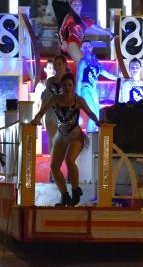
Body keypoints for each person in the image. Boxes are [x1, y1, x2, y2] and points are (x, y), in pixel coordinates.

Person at [31, 73, 101, 206]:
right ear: (61, 87)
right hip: (60, 136)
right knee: (54, 166)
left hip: (75, 136)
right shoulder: (55, 99)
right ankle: (64, 195)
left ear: (74, 86)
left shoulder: (78, 100)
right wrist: (36, 119)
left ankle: (75, 190)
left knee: (69, 160)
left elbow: (90, 113)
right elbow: (42, 111)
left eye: (70, 85)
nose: (68, 87)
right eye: (65, 85)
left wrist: (98, 122)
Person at [59, 0, 115, 65]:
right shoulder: (69, 17)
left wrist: (108, 33)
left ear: (81, 6)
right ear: (71, 6)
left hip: (79, 46)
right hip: (70, 44)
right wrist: (63, 41)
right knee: (83, 64)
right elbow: (61, 30)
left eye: (78, 4)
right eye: (74, 4)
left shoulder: (84, 21)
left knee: (86, 64)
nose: (76, 6)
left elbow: (96, 28)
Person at [76, 40, 117, 133]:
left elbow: (106, 73)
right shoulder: (83, 62)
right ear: (81, 49)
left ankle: (91, 134)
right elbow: (78, 79)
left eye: (88, 46)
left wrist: (118, 78)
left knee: (97, 114)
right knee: (93, 113)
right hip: (85, 89)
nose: (86, 48)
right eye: (84, 47)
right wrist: (77, 96)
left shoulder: (96, 63)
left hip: (93, 90)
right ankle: (90, 136)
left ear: (91, 47)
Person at [42, 54, 70, 152]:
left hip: (64, 116)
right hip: (50, 115)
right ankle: (53, 166)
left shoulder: (69, 80)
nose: (57, 67)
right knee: (52, 142)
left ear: (64, 65)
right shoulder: (49, 81)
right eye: (55, 64)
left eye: (59, 64)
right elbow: (46, 99)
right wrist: (39, 114)